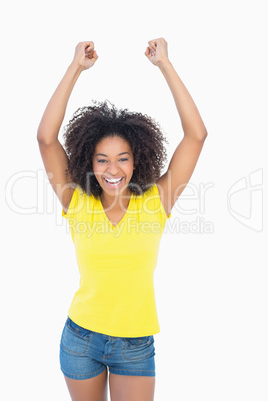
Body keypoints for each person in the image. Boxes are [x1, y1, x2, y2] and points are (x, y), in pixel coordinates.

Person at [37, 38, 207, 401]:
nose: (112, 169)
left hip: (134, 345)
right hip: (80, 340)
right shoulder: (76, 199)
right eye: (102, 159)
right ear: (89, 162)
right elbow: (46, 138)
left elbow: (197, 135)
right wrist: (75, 69)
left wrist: (166, 65)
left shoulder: (156, 201)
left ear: (137, 159)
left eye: (122, 158)